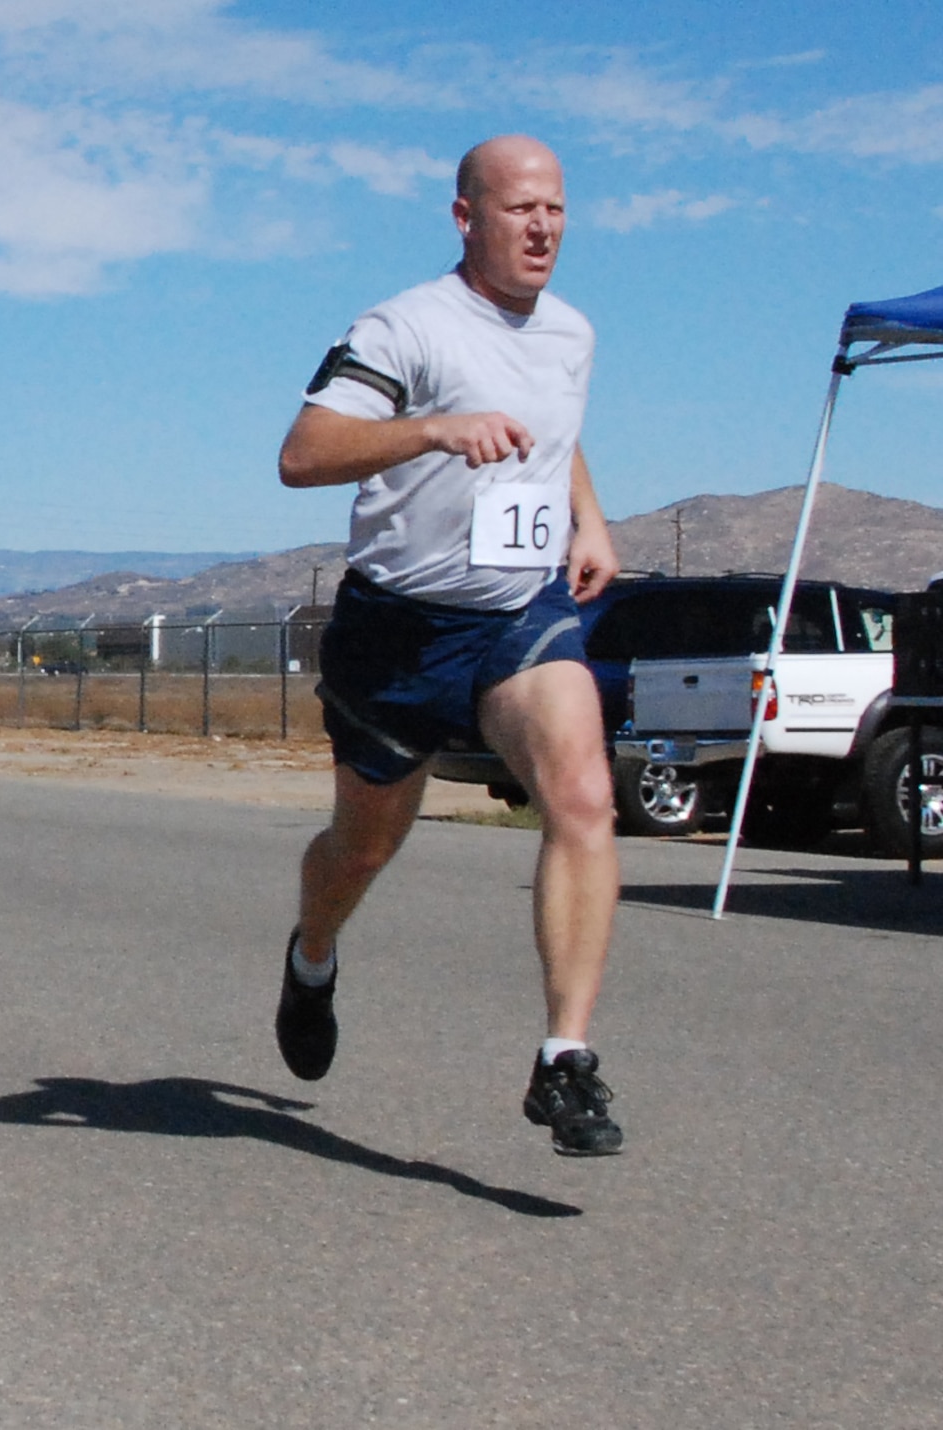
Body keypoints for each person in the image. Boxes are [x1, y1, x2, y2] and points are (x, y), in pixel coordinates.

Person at [274, 135, 624, 1156]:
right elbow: (303, 452)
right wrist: (431, 428)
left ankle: (563, 1057)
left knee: (582, 795)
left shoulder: (570, 334)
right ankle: (311, 952)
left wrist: (588, 517)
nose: (542, 226)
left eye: (554, 208)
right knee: (365, 845)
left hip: (517, 614)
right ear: (464, 216)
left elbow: (552, 431)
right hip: (398, 630)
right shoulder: (403, 325)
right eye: (518, 209)